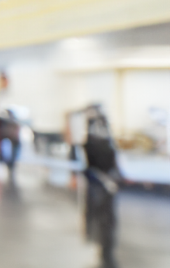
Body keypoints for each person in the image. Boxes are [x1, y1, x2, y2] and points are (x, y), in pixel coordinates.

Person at [68, 105, 123, 266]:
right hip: (96, 184)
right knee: (99, 216)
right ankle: (99, 246)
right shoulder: (88, 141)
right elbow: (85, 164)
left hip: (107, 185)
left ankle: (106, 252)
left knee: (108, 220)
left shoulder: (106, 140)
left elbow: (113, 162)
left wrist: (114, 179)